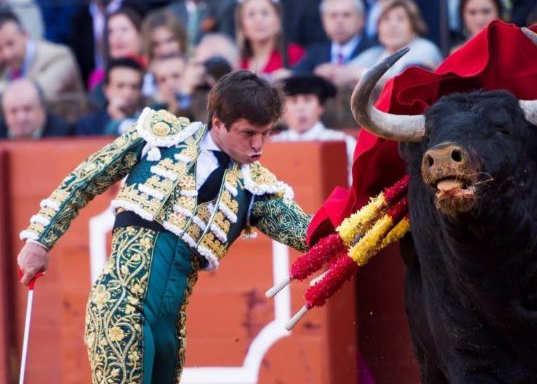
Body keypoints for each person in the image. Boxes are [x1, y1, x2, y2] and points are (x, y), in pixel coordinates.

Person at [17, 70, 311, 384]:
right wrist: (39, 239)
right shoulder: (161, 137)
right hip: (120, 307)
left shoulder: (254, 187)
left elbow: (307, 232)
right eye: (249, 133)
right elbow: (86, 180)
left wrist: (358, 223)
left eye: (266, 134)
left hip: (170, 329)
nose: (259, 145)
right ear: (218, 123)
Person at [273, 73, 356, 183]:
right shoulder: (274, 145)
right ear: (284, 109)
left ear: (320, 107)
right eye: (294, 101)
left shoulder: (342, 142)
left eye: (307, 100)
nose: (300, 107)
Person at [343, 0, 443, 87]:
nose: (392, 25)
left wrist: (361, 73)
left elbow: (403, 81)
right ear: (378, 28)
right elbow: (344, 71)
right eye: (386, 19)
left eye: (400, 19)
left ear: (414, 26)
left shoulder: (426, 49)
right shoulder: (376, 54)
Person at [0, 9, 84, 103]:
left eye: (10, 44)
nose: (7, 54)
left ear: (25, 35)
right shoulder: (3, 65)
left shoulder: (60, 57)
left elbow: (31, 97)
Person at [293, 0, 375, 81]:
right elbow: (296, 75)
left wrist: (352, 74)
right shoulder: (315, 52)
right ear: (323, 20)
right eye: (333, 16)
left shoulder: (375, 49)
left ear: (361, 19)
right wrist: (315, 76)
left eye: (346, 15)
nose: (339, 21)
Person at [236, 0, 305, 79]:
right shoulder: (238, 63)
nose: (258, 19)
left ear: (278, 21)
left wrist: (292, 78)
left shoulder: (294, 54)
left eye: (265, 13)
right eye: (251, 14)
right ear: (242, 26)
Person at [75, 57, 145, 136]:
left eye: (134, 87)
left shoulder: (148, 122)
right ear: (106, 90)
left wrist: (119, 118)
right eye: (120, 86)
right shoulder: (88, 125)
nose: (127, 93)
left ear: (141, 90)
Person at [0, 78, 72, 138]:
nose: (21, 118)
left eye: (27, 109)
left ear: (42, 108)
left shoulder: (64, 135)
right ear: (5, 114)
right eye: (14, 111)